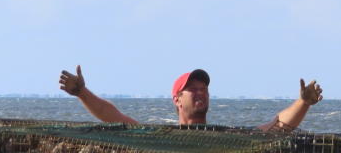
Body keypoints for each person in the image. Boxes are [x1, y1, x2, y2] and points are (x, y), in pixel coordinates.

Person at [58, 65, 322, 131]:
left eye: (204, 88)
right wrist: (81, 92)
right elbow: (113, 118)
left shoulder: (224, 136)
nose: (200, 92)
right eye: (192, 89)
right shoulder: (162, 140)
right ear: (177, 99)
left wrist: (303, 103)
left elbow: (275, 128)